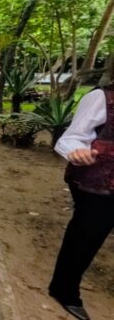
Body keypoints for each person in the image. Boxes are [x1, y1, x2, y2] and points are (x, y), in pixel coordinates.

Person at [49, 84, 114, 320]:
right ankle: (64, 289)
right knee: (87, 235)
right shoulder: (102, 97)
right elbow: (70, 139)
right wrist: (77, 151)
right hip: (96, 183)